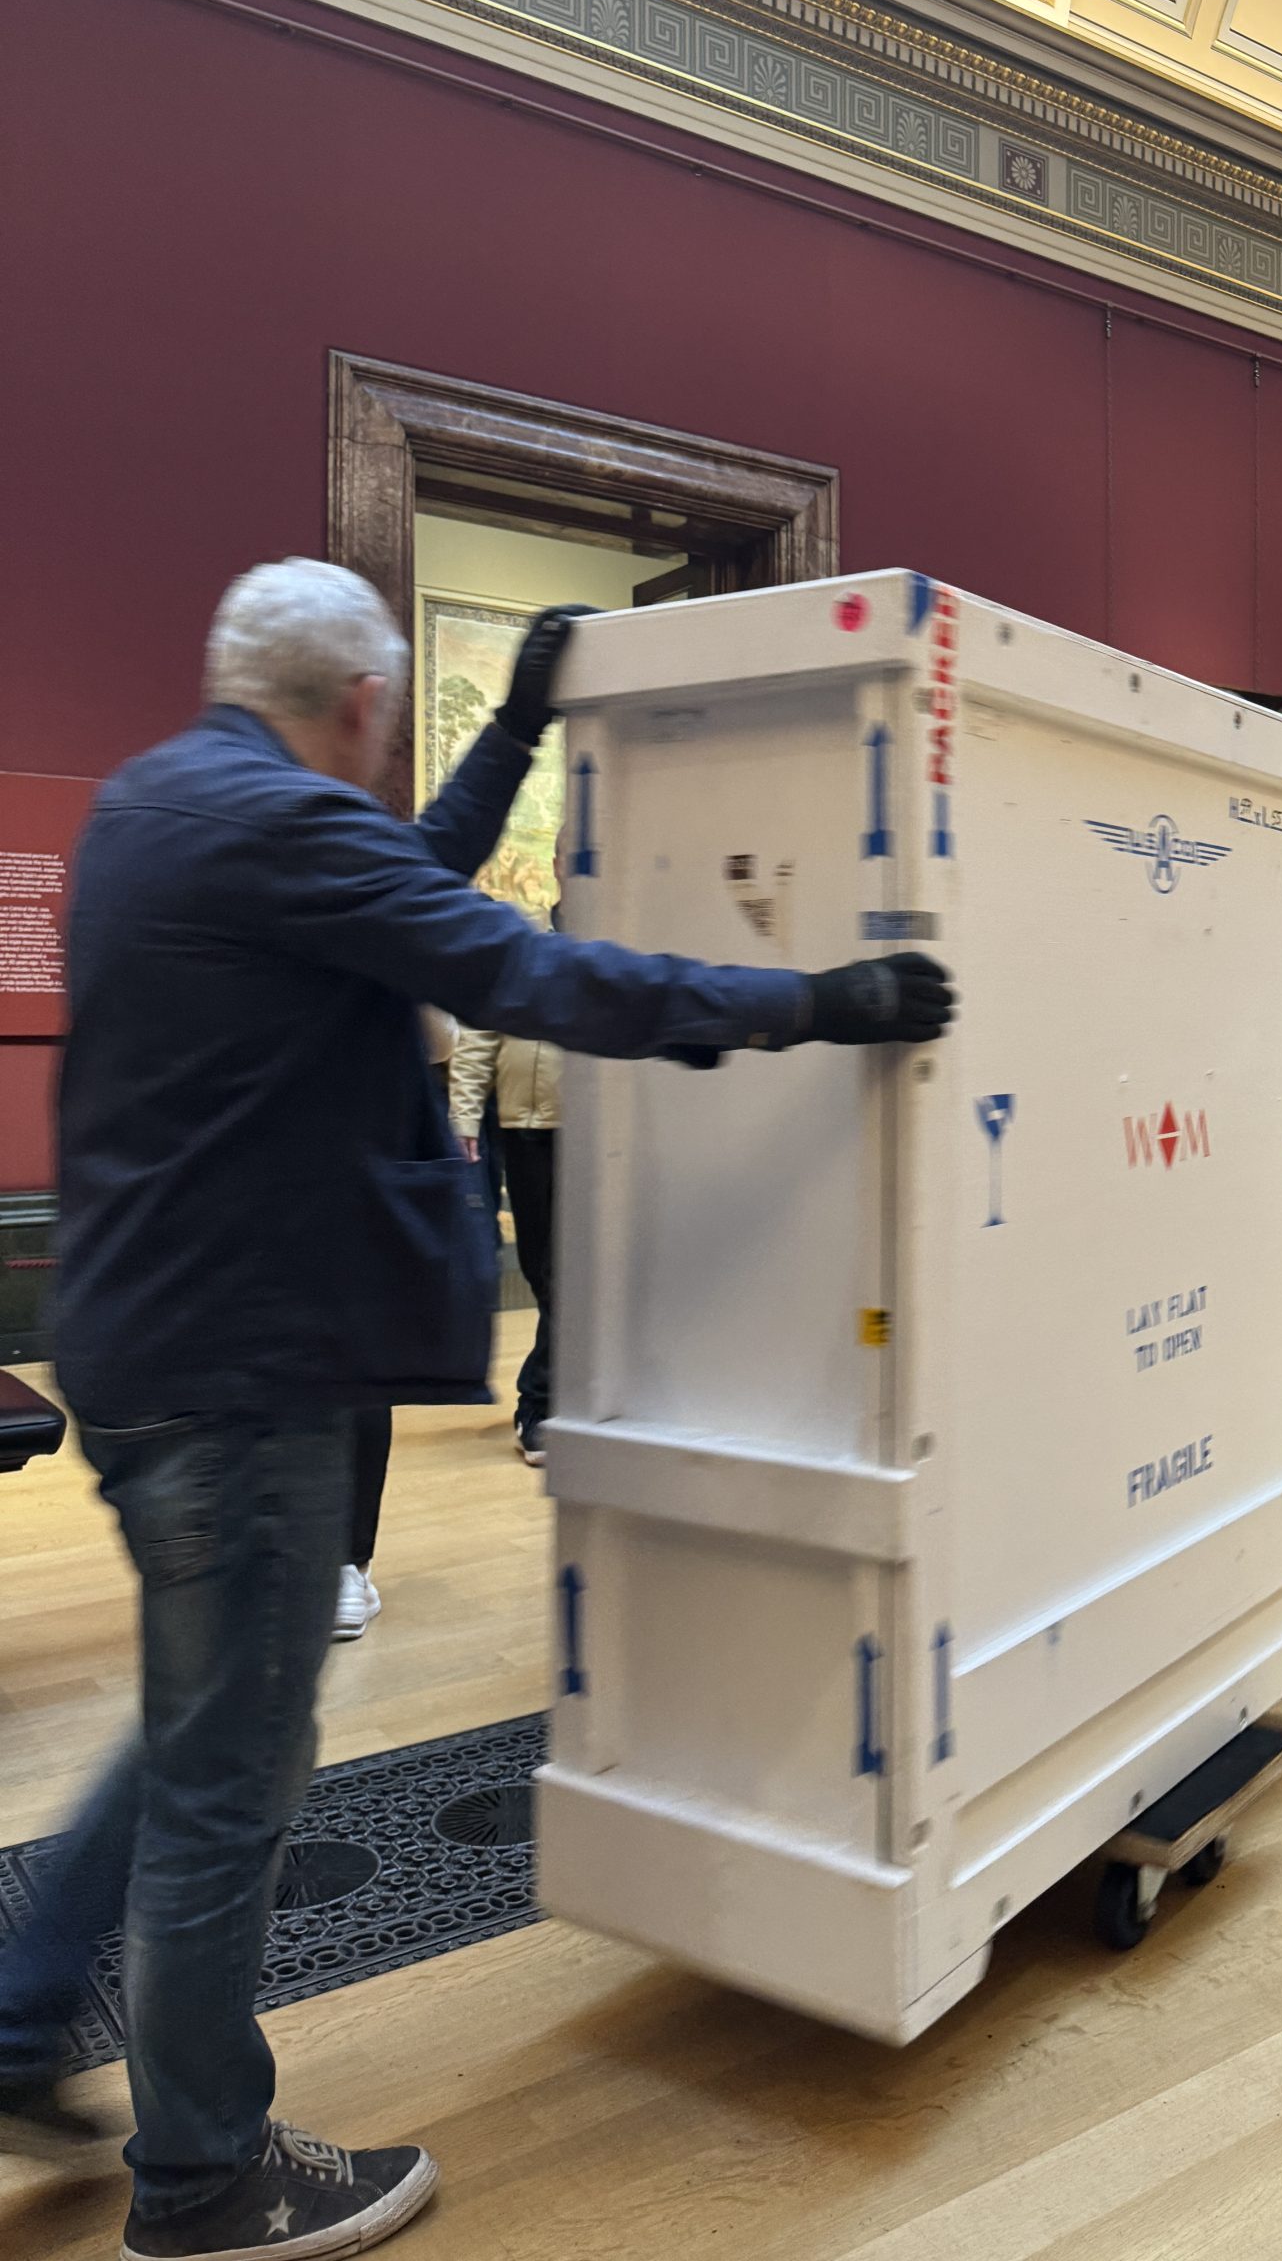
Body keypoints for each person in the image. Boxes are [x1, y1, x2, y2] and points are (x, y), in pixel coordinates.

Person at [0, 561, 953, 2261]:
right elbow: (539, 979)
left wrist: (514, 731)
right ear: (366, 706)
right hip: (245, 1383)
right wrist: (819, 1004)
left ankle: (14, 2025)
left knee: (191, 1721)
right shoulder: (287, 829)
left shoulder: (160, 802)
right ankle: (203, 2177)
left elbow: (406, 881)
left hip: (141, 1357)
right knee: (232, 1778)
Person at [335, 1012, 457, 1641]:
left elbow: (440, 1037)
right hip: (253, 1155)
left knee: (359, 1364)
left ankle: (349, 1562)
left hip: (361, 1152)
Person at [450, 1000, 558, 1465]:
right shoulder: (519, 958)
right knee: (542, 1271)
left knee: (565, 1278)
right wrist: (464, 1114)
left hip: (596, 1128)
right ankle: (555, 1398)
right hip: (525, 1127)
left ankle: (539, 1403)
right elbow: (479, 1029)